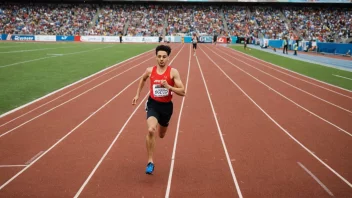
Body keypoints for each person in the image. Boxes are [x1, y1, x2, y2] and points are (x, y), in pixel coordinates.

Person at [132, 45, 186, 175]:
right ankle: (150, 162)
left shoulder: (173, 72)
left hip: (166, 107)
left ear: (168, 58)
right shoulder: (150, 70)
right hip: (153, 104)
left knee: (161, 135)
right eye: (159, 56)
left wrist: (169, 86)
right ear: (156, 57)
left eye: (164, 57)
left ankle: (162, 127)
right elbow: (143, 79)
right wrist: (137, 94)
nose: (161, 59)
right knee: (151, 130)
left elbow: (183, 91)